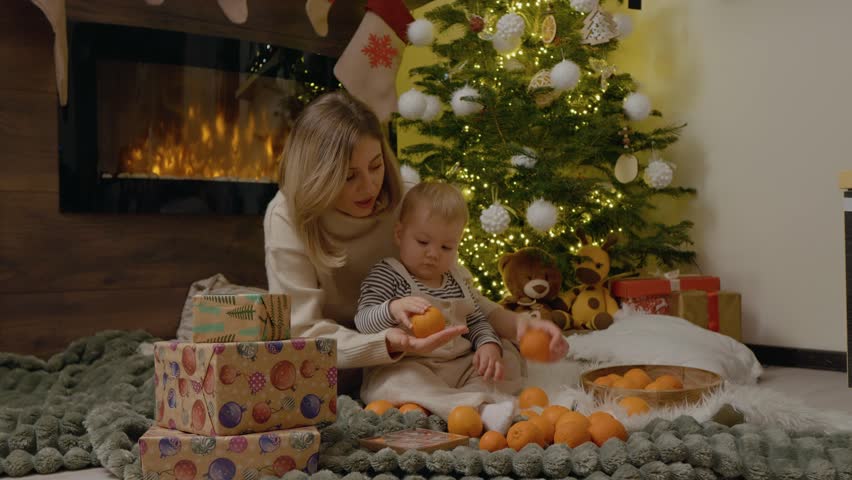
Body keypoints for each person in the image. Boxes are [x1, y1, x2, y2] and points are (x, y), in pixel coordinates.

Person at [263, 90, 567, 398]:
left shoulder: (410, 200)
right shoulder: (287, 216)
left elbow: (457, 291)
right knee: (394, 382)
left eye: (376, 164)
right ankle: (458, 404)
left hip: (432, 350)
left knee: (502, 356)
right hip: (354, 360)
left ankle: (476, 404)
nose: (369, 186)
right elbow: (301, 332)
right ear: (318, 175)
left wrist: (519, 327)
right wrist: (390, 344)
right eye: (349, 176)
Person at [355, 182, 531, 433]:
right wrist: (392, 308)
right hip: (412, 365)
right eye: (423, 242)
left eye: (446, 247)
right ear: (399, 234)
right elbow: (362, 321)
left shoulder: (457, 278)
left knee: (507, 357)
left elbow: (477, 319)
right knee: (391, 383)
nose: (433, 254)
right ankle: (476, 408)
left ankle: (453, 402)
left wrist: (487, 345)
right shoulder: (389, 274)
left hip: (458, 366)